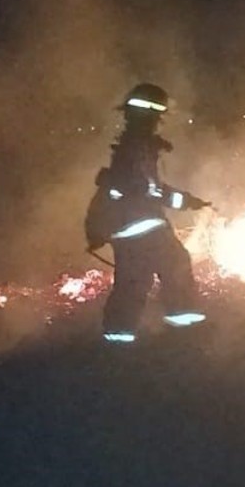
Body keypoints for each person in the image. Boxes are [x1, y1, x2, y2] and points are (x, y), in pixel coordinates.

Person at [85, 83, 210, 344]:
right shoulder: (137, 149)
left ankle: (117, 338)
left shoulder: (134, 146)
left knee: (133, 283)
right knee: (175, 262)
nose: (160, 123)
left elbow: (146, 188)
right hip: (143, 225)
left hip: (128, 228)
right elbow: (149, 190)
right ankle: (184, 326)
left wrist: (187, 201)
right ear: (152, 115)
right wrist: (185, 201)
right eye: (159, 117)